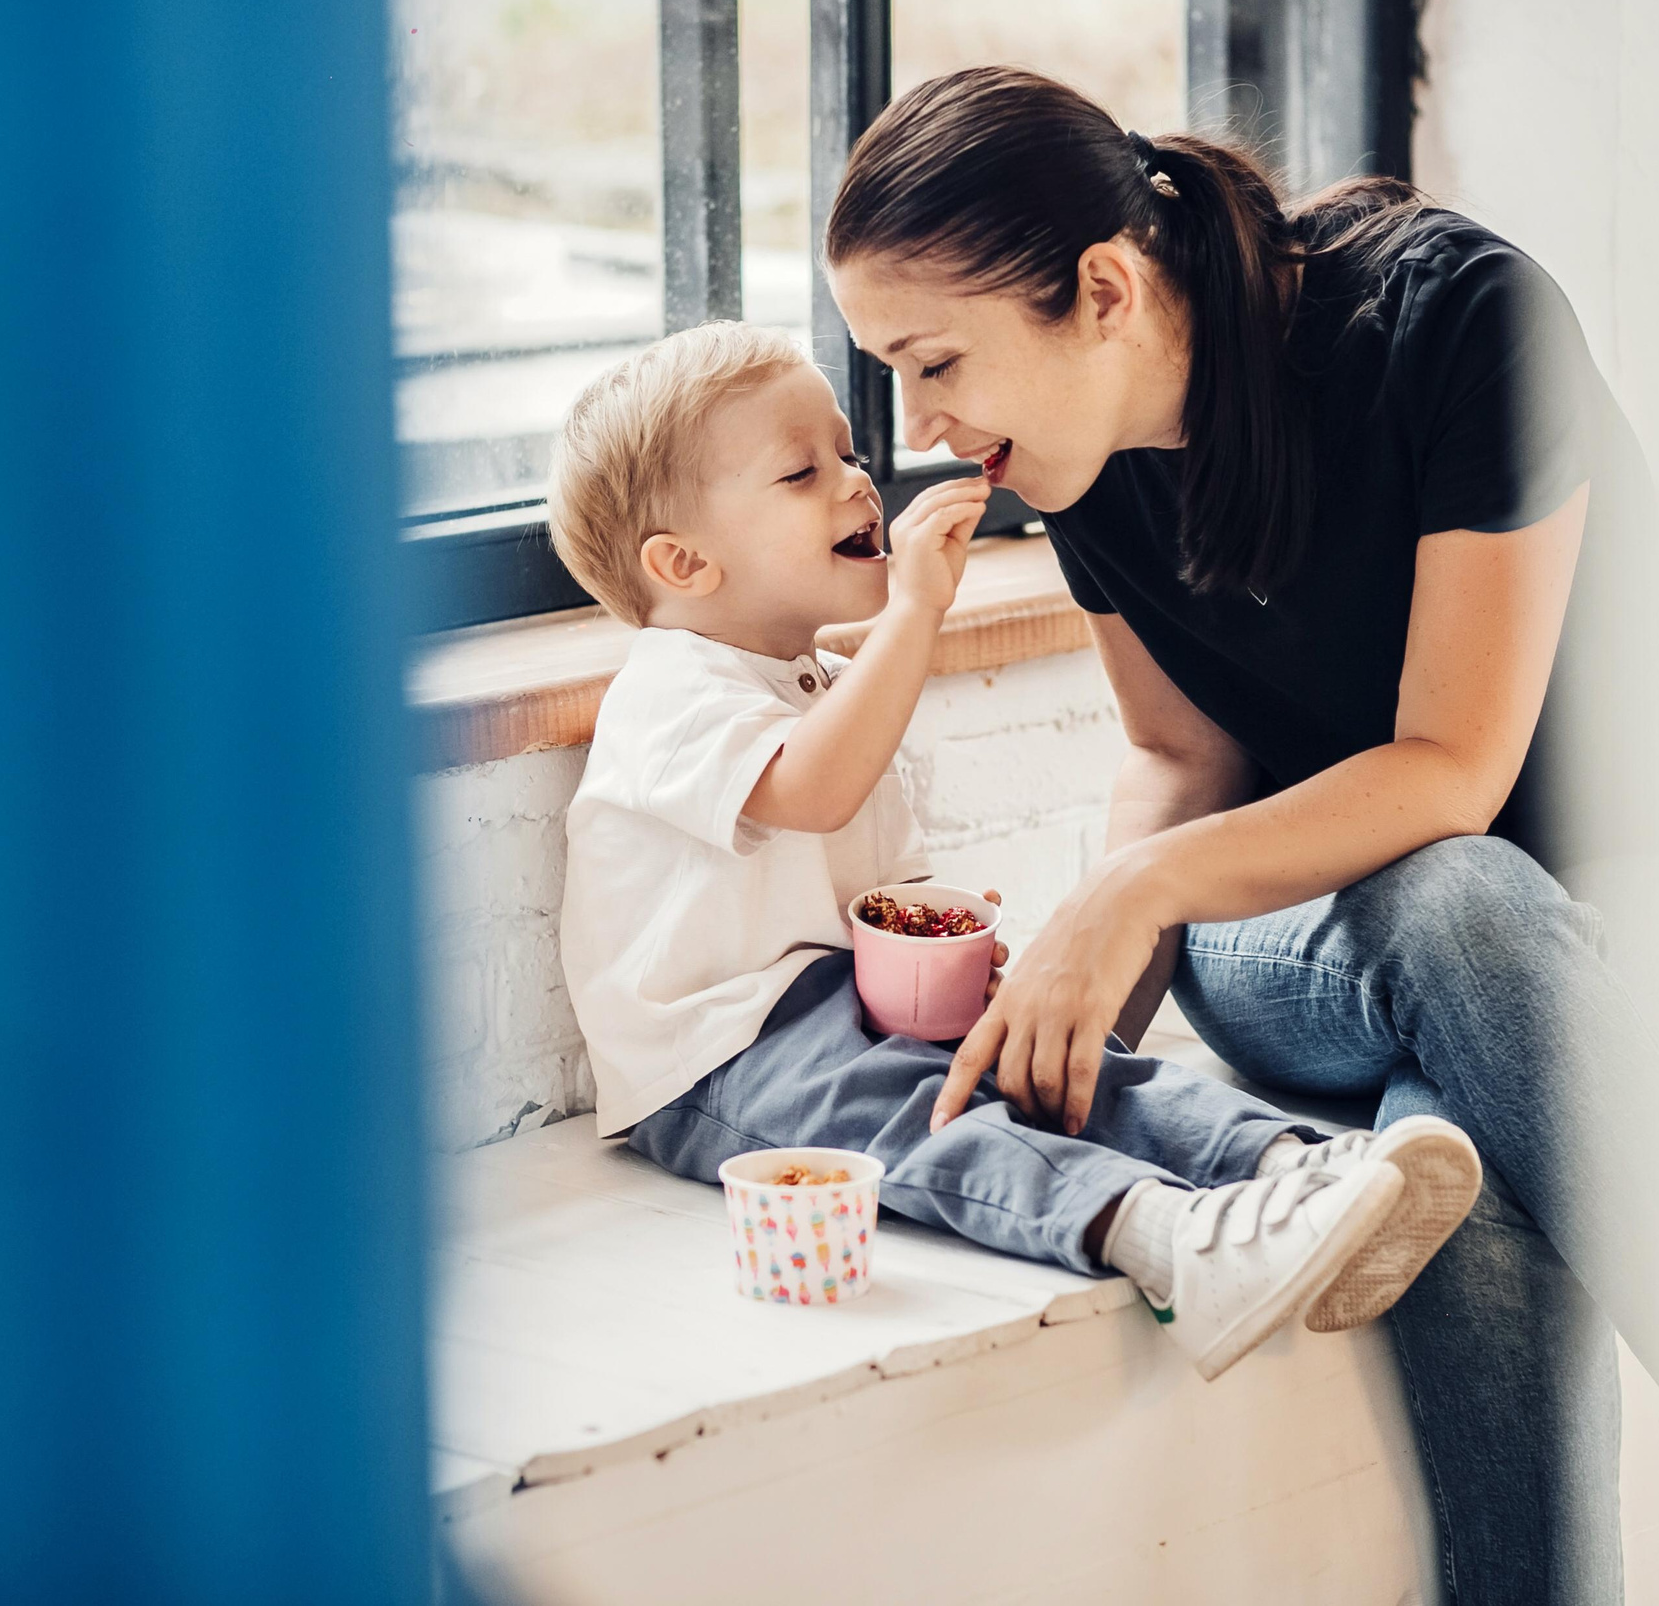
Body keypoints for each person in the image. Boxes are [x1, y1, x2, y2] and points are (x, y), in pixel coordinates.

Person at [825, 65, 1659, 1604]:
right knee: (1446, 906)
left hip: (1564, 925)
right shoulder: (1071, 461)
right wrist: (1081, 1018)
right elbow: (1178, 753)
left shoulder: (1459, 324)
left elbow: (1452, 769)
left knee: (1453, 1143)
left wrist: (1126, 890)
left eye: (934, 359)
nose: (921, 423)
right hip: (1293, 943)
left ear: (1101, 288)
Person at [546, 320, 1483, 1383]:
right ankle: (1165, 1237)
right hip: (716, 1051)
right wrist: (915, 613)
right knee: (929, 1118)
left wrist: (943, 952)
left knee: (1058, 1069)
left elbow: (858, 882)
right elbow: (813, 789)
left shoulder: (806, 681)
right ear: (682, 562)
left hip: (836, 1007)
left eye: (849, 454)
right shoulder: (670, 687)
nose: (858, 485)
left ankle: (1299, 1170)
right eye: (803, 472)